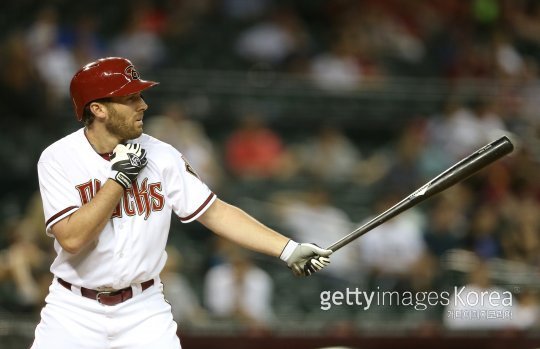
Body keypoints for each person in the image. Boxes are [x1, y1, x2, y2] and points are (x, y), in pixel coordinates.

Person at [31, 57, 332, 349]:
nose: (143, 105)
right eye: (130, 98)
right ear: (98, 109)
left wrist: (288, 248)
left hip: (142, 310)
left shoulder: (162, 155)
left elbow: (216, 212)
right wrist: (119, 180)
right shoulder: (59, 158)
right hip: (73, 311)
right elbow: (72, 238)